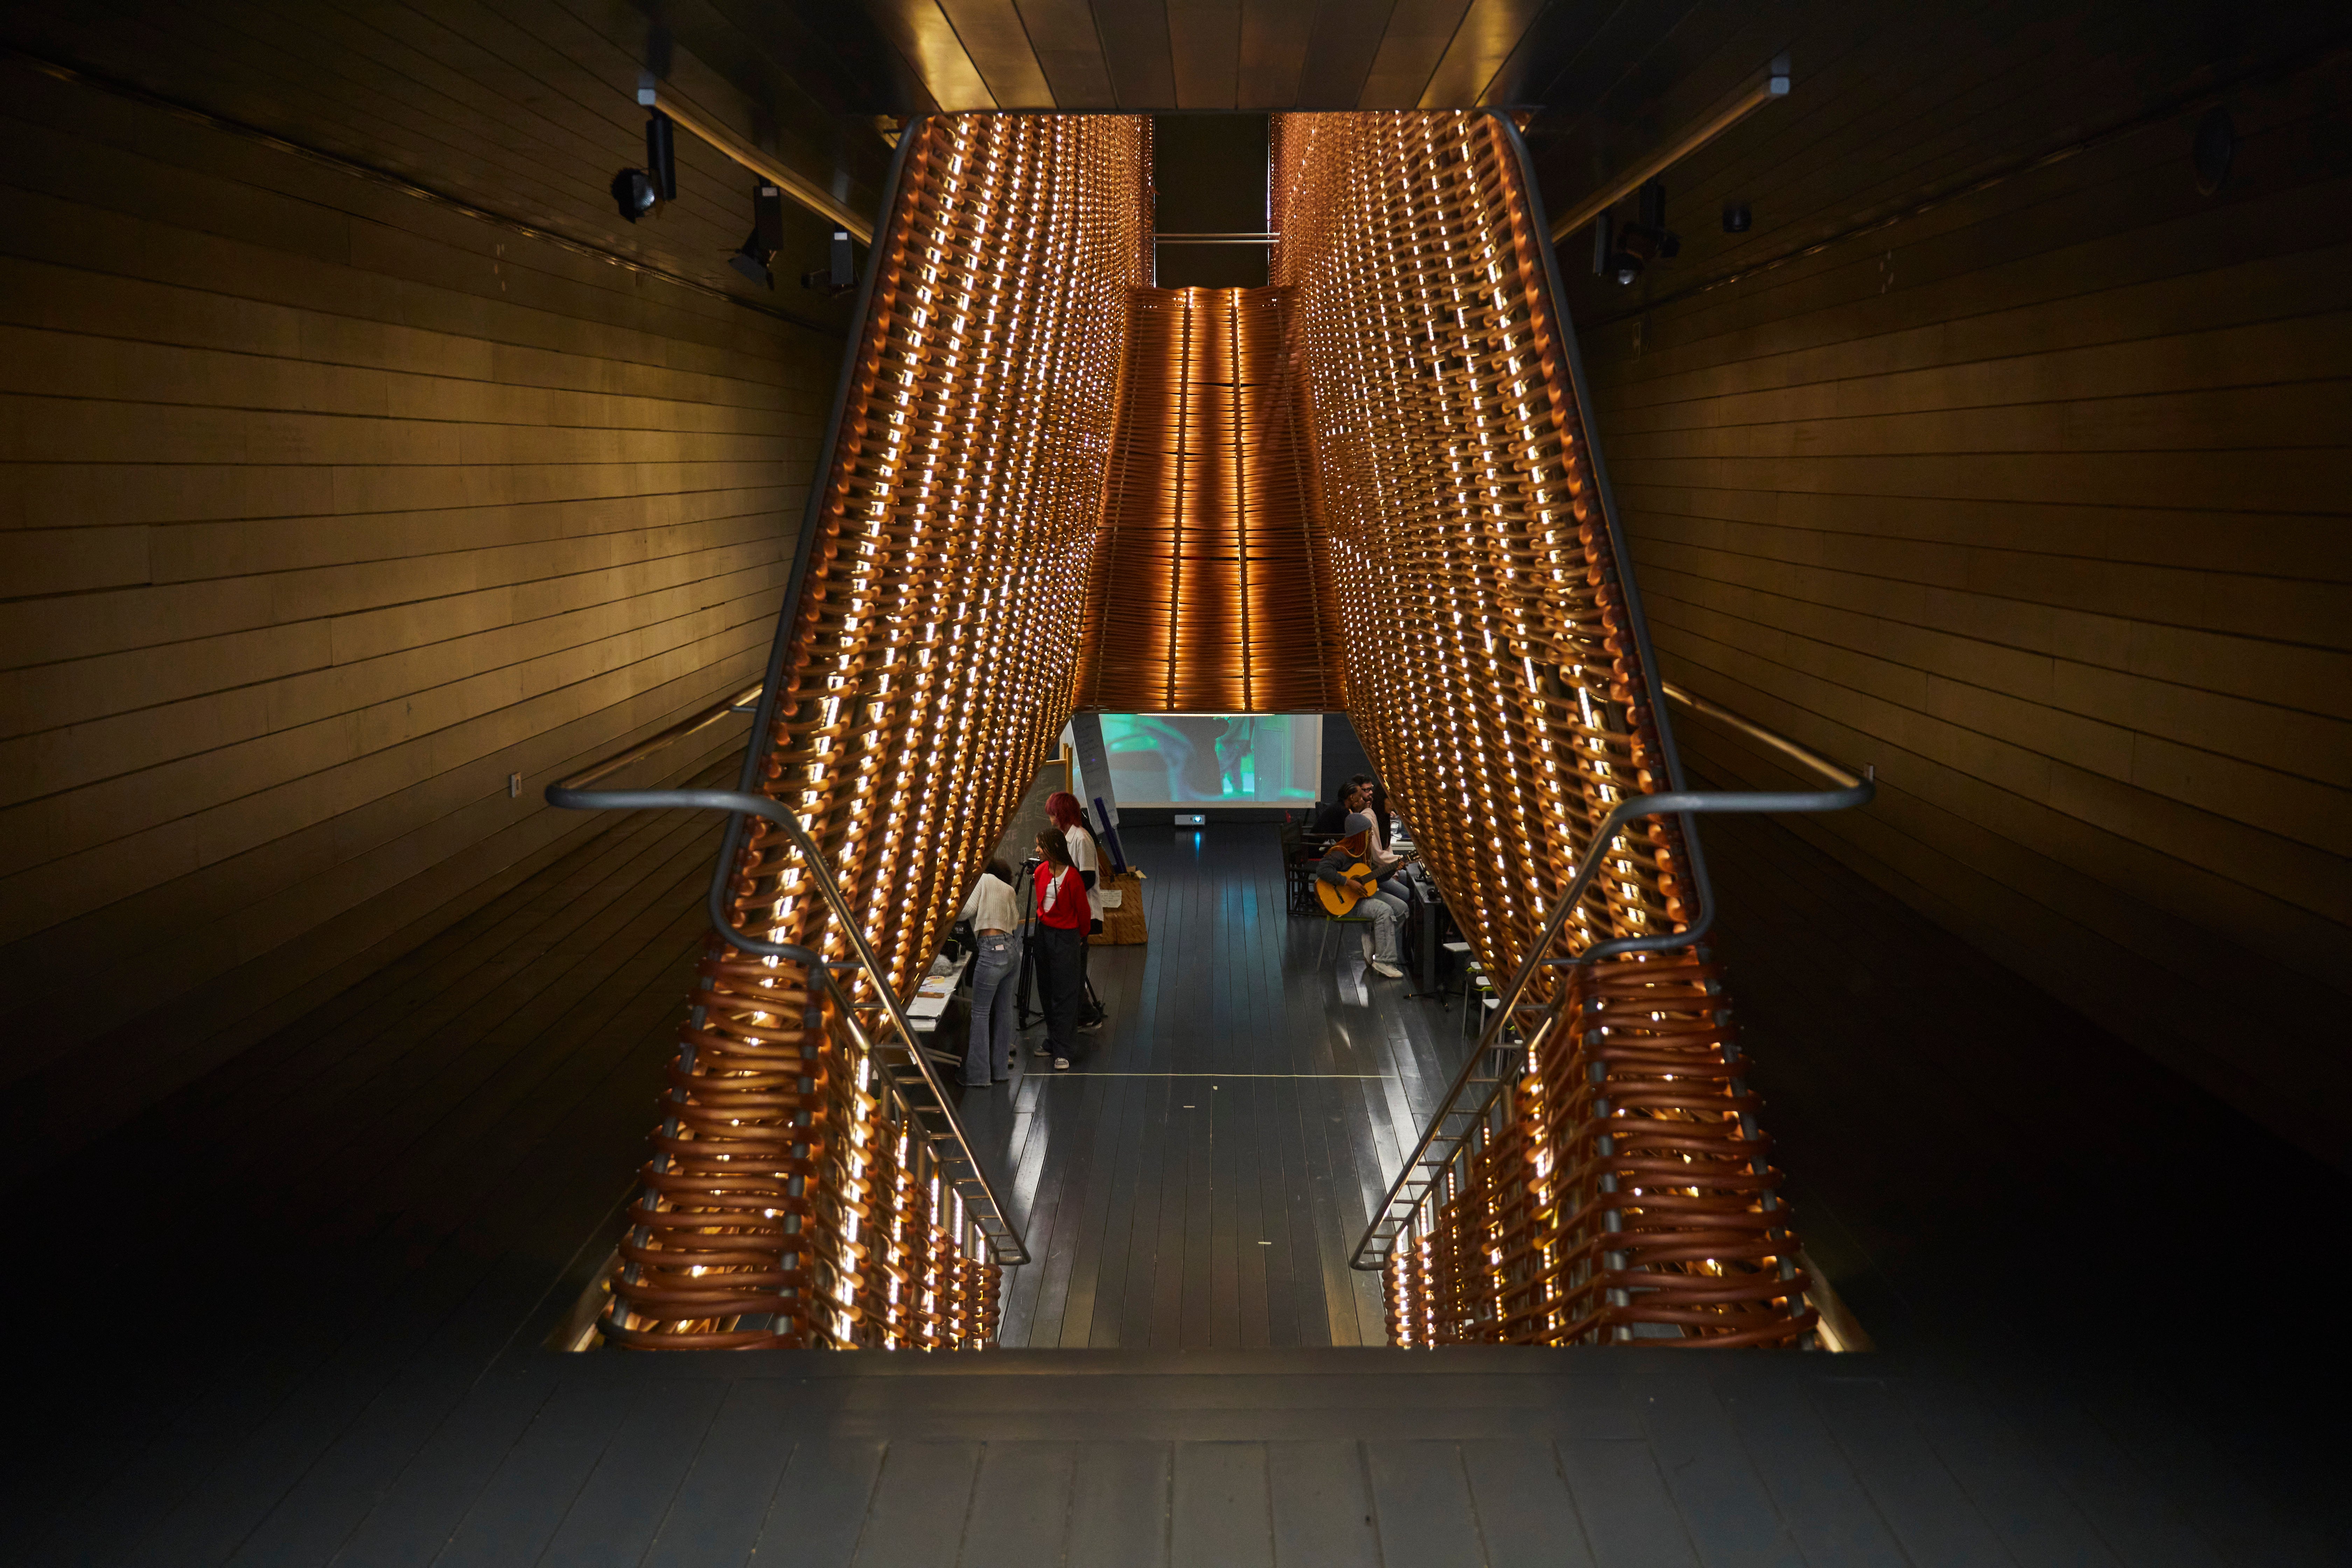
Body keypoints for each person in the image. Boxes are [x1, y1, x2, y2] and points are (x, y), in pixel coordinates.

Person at [1045, 790, 1107, 1031]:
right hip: (1072, 910)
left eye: (1053, 813)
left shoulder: (1081, 839)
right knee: (1073, 967)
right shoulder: (1066, 838)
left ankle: (1086, 1014)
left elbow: (1088, 878)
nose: (1050, 818)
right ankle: (1082, 1013)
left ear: (1061, 814)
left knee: (1074, 968)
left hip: (1083, 912)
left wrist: (1064, 895)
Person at [1029, 828, 1090, 1070]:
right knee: (1046, 989)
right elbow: (1041, 904)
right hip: (1044, 933)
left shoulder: (1073, 877)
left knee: (1065, 993)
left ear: (1054, 849)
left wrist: (1081, 937)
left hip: (1066, 937)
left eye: (1040, 846)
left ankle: (1064, 1049)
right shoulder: (1040, 872)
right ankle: (1053, 1040)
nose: (1037, 851)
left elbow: (1083, 912)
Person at [957, 859, 1021, 1088]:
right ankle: (1000, 1070)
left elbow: (965, 912)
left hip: (991, 949)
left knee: (981, 1013)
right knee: (1004, 1011)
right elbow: (1015, 921)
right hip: (1012, 950)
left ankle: (978, 1076)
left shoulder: (982, 881)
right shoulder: (1008, 889)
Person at [1316, 822, 1407, 980]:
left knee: (1402, 908)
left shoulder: (1364, 854)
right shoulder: (1341, 853)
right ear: (1359, 836)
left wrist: (1392, 869)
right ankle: (1384, 961)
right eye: (1368, 832)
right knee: (1384, 911)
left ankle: (1374, 940)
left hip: (1362, 896)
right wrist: (1349, 882)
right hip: (1346, 903)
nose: (1371, 835)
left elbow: (1375, 879)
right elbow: (1322, 870)